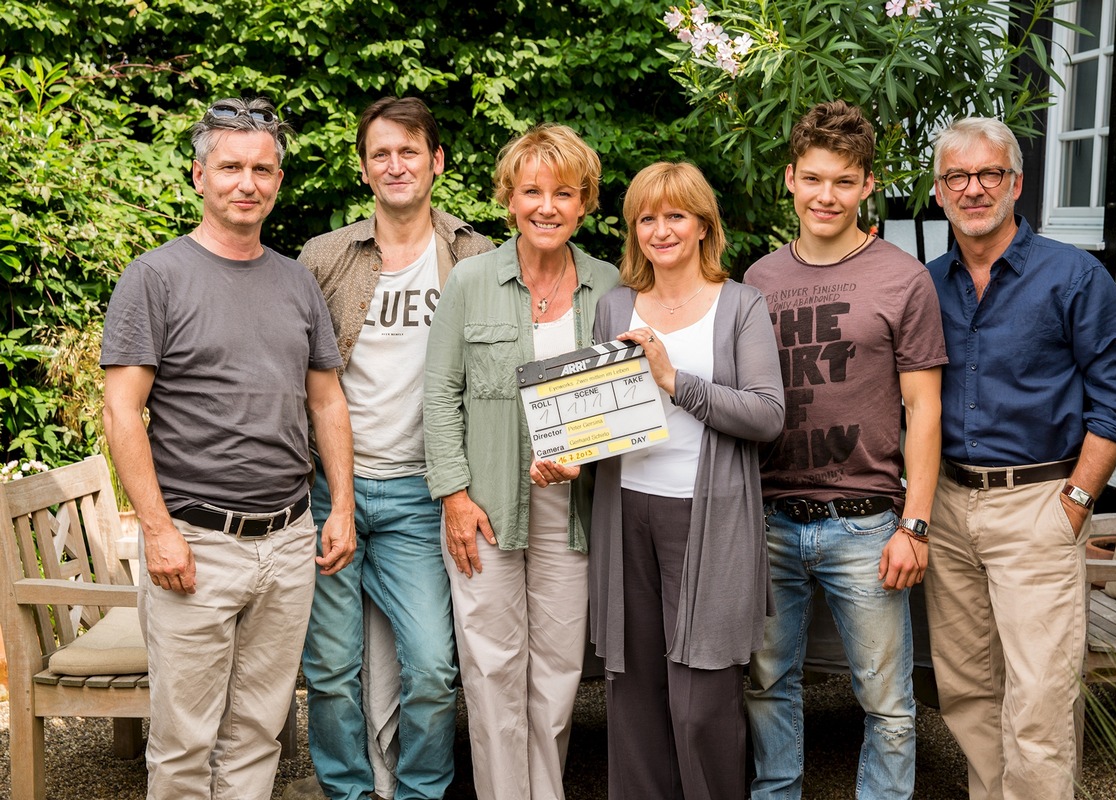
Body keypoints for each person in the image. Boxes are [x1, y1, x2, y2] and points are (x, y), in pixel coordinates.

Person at [100, 97, 356, 800]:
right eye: (231, 167)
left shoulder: (297, 281)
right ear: (199, 176)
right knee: (184, 745)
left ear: (277, 181)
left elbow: (327, 400)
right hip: (196, 543)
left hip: (287, 539)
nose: (248, 182)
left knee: (256, 734)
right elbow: (123, 413)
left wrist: (343, 509)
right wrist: (157, 532)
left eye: (262, 169)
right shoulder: (154, 278)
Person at [925, 117, 1116, 800]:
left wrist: (1078, 501)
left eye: (989, 173)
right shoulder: (926, 286)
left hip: (1039, 505)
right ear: (938, 192)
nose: (974, 188)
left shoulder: (1073, 277)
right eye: (957, 176)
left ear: (1016, 183)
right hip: (949, 507)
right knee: (966, 691)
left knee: (1041, 701)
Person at [743, 100, 947, 800]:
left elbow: (924, 409)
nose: (826, 195)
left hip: (866, 524)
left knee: (887, 701)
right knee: (768, 682)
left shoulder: (902, 278)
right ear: (791, 180)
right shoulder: (757, 281)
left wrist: (913, 526)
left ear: (866, 186)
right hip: (770, 518)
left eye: (845, 181)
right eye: (814, 178)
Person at [295, 97, 494, 800]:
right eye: (381, 153)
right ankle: (348, 792)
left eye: (410, 151)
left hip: (424, 494)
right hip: (333, 495)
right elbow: (303, 380)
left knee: (435, 668)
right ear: (363, 168)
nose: (395, 164)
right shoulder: (322, 259)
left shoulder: (475, 257)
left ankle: (420, 792)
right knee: (329, 671)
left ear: (436, 162)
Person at [422, 123, 620, 800]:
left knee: (559, 672)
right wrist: (453, 493)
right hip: (485, 511)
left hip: (576, 515)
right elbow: (440, 393)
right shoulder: (471, 281)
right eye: (531, 190)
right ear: (508, 198)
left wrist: (587, 462)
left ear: (584, 202)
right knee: (490, 669)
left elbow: (625, 403)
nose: (546, 205)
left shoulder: (610, 286)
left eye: (563, 192)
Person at [588, 161, 784, 800]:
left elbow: (767, 415)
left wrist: (675, 381)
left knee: (701, 704)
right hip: (628, 511)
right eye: (647, 218)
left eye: (676, 215)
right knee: (635, 693)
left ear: (704, 224)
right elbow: (599, 417)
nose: (661, 230)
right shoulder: (615, 304)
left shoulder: (741, 304)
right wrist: (568, 456)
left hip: (712, 517)